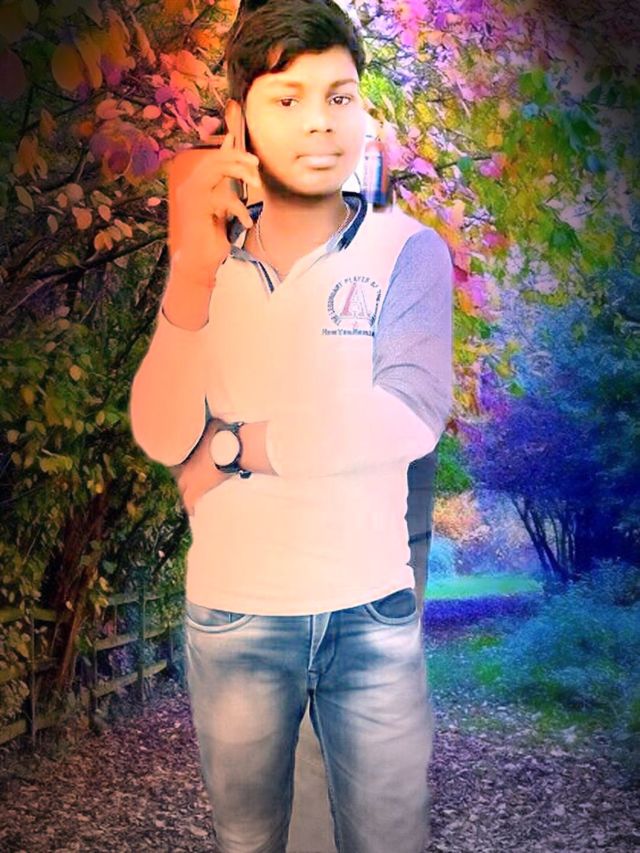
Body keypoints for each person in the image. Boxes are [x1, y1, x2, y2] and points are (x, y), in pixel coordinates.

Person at [129, 1, 453, 850]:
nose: (320, 122)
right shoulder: (206, 260)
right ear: (238, 117)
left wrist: (235, 446)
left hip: (370, 612)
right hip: (237, 614)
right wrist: (191, 275)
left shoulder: (406, 251)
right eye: (288, 98)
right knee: (248, 842)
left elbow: (406, 415)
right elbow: (162, 433)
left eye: (339, 97)